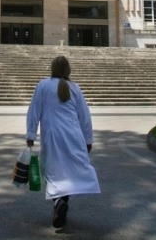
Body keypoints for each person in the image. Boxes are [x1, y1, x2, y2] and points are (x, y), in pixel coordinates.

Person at [26, 55, 100, 228]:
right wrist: (88, 139)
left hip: (52, 136)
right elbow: (84, 116)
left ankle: (58, 201)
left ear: (52, 69)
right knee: (68, 170)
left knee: (52, 170)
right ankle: (61, 201)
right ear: (68, 70)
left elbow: (34, 110)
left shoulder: (43, 85)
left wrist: (31, 134)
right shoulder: (74, 87)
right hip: (73, 135)